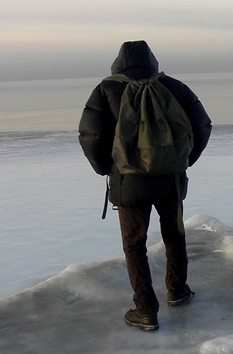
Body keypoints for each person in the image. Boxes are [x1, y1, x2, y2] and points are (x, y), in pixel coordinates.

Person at [78, 40, 212, 331]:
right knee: (174, 236)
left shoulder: (106, 90)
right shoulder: (174, 87)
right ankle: (177, 291)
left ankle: (145, 311)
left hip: (128, 182)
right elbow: (202, 125)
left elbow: (92, 135)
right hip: (170, 181)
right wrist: (184, 160)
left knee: (134, 245)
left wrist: (106, 168)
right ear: (152, 61)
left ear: (118, 62)